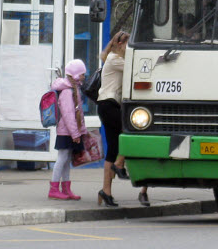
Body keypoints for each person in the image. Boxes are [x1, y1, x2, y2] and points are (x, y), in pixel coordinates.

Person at [96, 31, 148, 207]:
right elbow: (136, 69)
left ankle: (106, 191)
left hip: (108, 105)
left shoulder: (114, 58)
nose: (128, 48)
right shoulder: (115, 59)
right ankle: (119, 164)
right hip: (108, 104)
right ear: (119, 44)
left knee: (112, 147)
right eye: (127, 44)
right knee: (132, 129)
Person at [48, 59, 90, 201]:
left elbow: (78, 113)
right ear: (76, 75)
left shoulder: (74, 88)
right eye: (82, 74)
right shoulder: (67, 91)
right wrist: (75, 133)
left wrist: (80, 130)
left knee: (66, 160)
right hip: (66, 131)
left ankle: (66, 189)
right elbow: (68, 114)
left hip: (70, 131)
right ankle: (54, 189)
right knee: (62, 158)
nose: (84, 76)